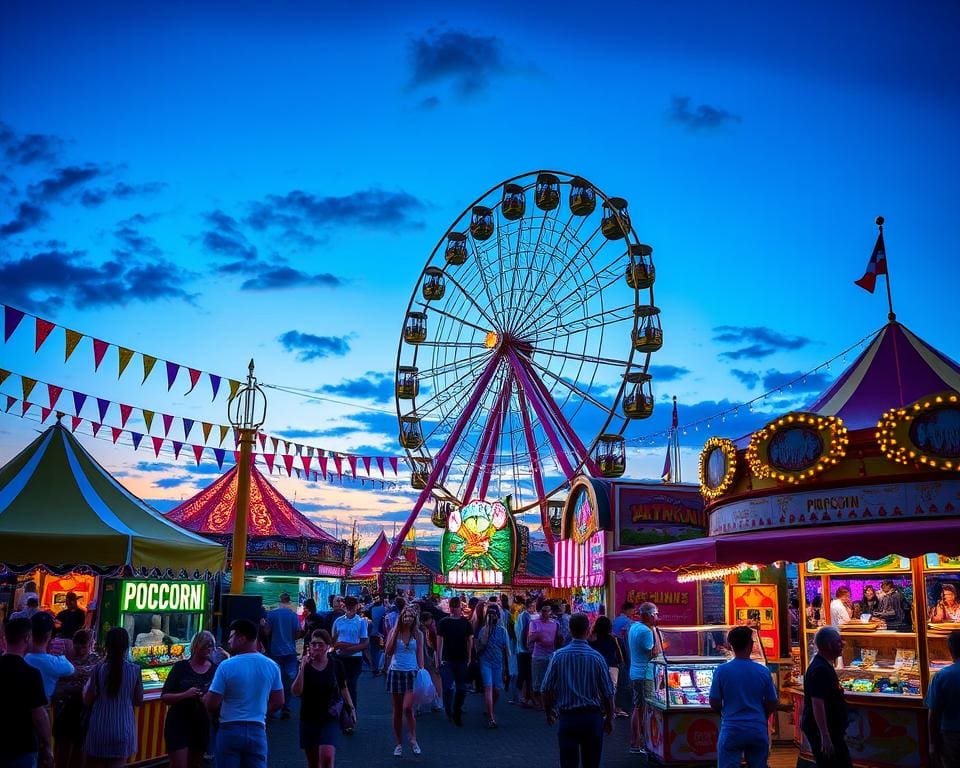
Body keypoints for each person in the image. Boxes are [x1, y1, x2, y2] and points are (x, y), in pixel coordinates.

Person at [204, 619, 284, 768]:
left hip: (229, 728)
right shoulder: (272, 666)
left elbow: (211, 703)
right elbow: (279, 701)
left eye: (232, 636)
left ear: (242, 638)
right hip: (257, 729)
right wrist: (261, 712)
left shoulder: (226, 666)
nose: (228, 640)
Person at [540, 613, 615, 768]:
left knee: (568, 763)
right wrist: (609, 718)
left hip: (568, 718)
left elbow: (546, 689)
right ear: (588, 630)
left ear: (570, 629)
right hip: (592, 718)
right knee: (592, 763)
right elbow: (608, 693)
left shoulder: (558, 656)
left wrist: (549, 712)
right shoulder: (597, 657)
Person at [708, 626, 779, 768]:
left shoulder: (722, 671)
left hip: (732, 728)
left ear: (730, 645)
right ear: (751, 645)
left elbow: (714, 701)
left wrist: (724, 713)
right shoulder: (763, 671)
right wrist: (761, 716)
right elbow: (772, 702)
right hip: (757, 728)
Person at [292, 630, 355, 768]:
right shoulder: (305, 665)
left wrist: (351, 708)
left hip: (330, 716)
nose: (316, 647)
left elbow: (343, 687)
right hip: (308, 716)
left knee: (327, 756)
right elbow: (296, 692)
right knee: (313, 762)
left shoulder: (336, 665)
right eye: (313, 644)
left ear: (328, 646)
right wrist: (302, 668)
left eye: (320, 644)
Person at [83, 627, 144, 768]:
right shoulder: (135, 670)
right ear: (126, 646)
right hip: (123, 727)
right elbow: (138, 701)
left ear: (107, 645)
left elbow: (87, 700)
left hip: (99, 727)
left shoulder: (98, 669)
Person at [0, 617, 53, 768]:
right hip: (22, 746)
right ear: (27, 638)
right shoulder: (31, 674)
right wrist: (47, 745)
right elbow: (38, 714)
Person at [161, 631, 217, 768]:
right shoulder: (180, 667)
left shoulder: (216, 670)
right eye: (205, 645)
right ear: (195, 646)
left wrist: (206, 699)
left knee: (195, 764)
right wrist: (186, 694)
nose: (208, 649)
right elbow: (165, 697)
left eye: (211, 646)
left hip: (201, 724)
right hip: (178, 723)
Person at [801, 626, 852, 768]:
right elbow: (817, 703)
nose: (842, 644)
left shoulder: (823, 665)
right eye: (838, 642)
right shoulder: (820, 669)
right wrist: (825, 735)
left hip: (829, 730)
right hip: (824, 731)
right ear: (828, 645)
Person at [53, 629, 100, 768]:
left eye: (83, 647)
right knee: (64, 746)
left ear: (89, 644)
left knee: (79, 747)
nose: (80, 650)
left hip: (82, 709)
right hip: (66, 709)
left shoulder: (94, 659)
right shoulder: (65, 659)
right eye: (77, 647)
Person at [383, 607, 424, 755]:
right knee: (398, 710)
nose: (408, 619)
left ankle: (413, 738)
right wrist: (394, 633)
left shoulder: (418, 634)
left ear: (414, 619)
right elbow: (388, 652)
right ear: (401, 617)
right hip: (395, 672)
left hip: (411, 672)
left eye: (411, 617)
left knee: (408, 708)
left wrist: (422, 671)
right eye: (405, 616)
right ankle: (398, 743)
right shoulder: (396, 632)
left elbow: (420, 654)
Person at [264, 592, 302, 720]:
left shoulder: (272, 614)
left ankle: (272, 707)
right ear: (289, 601)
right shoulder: (294, 616)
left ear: (280, 601)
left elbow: (267, 632)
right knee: (288, 680)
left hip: (275, 651)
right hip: (290, 651)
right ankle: (286, 707)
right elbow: (297, 634)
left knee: (273, 680)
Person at [436, 595, 473, 726]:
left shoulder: (465, 623)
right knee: (448, 687)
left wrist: (469, 657)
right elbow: (439, 642)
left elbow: (470, 641)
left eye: (456, 607)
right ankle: (449, 709)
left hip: (461, 659)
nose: (455, 609)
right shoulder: (444, 622)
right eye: (453, 607)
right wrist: (438, 659)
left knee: (461, 688)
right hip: (448, 659)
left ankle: (455, 709)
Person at [331, 595, 368, 728]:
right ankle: (340, 715)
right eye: (348, 604)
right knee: (340, 687)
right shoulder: (338, 621)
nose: (350, 607)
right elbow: (333, 641)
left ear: (357, 605)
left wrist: (345, 647)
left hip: (354, 659)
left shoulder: (361, 622)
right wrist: (340, 646)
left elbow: (364, 643)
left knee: (351, 687)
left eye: (352, 604)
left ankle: (351, 719)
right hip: (340, 658)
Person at [628, 602, 658, 755]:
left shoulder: (634, 627)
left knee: (638, 707)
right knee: (642, 709)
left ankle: (637, 741)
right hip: (644, 674)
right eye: (655, 614)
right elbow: (654, 652)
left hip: (635, 672)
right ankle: (637, 742)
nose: (657, 617)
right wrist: (657, 635)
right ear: (649, 615)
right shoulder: (647, 631)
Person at [927, 630, 960, 767]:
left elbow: (933, 714)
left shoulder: (942, 676)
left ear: (950, 650)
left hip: (952, 736)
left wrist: (932, 744)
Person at [25, 611, 75, 701]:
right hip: (43, 710)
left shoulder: (21, 659)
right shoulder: (56, 663)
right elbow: (73, 670)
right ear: (50, 635)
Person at [475, 603, 509, 728]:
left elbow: (506, 650)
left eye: (494, 614)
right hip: (486, 662)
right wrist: (487, 630)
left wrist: (507, 668)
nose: (492, 616)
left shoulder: (502, 631)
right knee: (488, 688)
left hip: (498, 662)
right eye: (490, 614)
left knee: (496, 690)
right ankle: (491, 717)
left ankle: (490, 708)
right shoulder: (484, 630)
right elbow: (480, 645)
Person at [588, 616, 629, 718]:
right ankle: (612, 710)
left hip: (595, 667)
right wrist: (623, 664)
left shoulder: (592, 639)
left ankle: (600, 709)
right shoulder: (615, 639)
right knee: (611, 689)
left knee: (597, 688)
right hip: (612, 667)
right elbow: (623, 654)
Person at [528, 602, 562, 710]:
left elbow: (558, 639)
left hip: (551, 655)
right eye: (542, 610)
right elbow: (529, 639)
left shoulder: (555, 624)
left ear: (551, 612)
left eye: (547, 610)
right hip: (538, 655)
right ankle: (539, 703)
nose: (544, 613)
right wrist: (537, 636)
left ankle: (547, 703)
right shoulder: (534, 623)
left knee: (551, 680)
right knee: (537, 681)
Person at [418, 611, 443, 712]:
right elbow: (432, 646)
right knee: (434, 679)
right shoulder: (429, 630)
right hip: (428, 658)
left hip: (422, 658)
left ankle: (419, 706)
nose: (433, 622)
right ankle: (436, 702)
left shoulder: (418, 629)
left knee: (420, 682)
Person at [514, 597, 537, 707]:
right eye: (533, 606)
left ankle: (525, 698)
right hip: (524, 650)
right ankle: (520, 698)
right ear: (530, 606)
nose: (534, 608)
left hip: (522, 649)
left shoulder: (523, 615)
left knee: (525, 674)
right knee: (524, 674)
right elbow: (524, 632)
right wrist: (526, 646)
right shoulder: (525, 616)